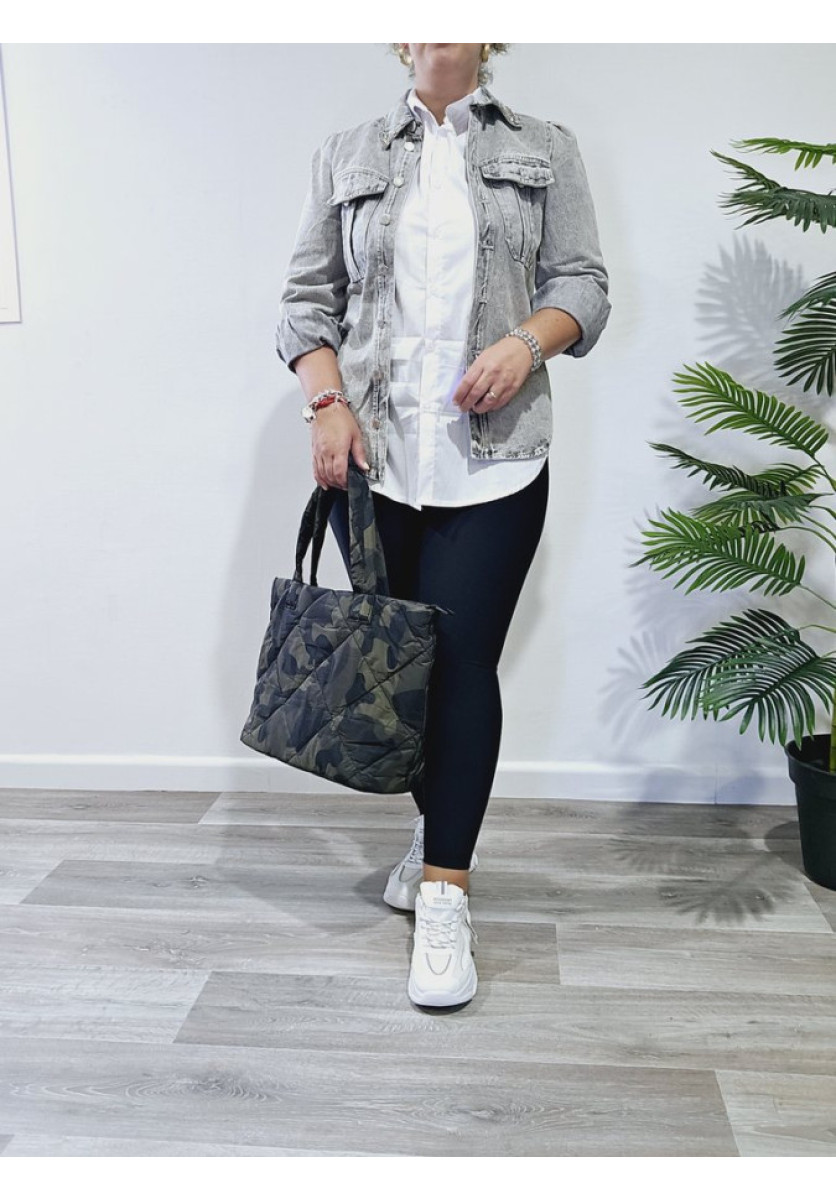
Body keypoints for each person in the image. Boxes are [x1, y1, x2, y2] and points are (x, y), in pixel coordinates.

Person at [275, 43, 611, 1008]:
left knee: (462, 667)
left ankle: (445, 895)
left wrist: (525, 344)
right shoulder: (346, 152)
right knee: (406, 674)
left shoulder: (545, 147)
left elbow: (584, 284)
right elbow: (305, 303)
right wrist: (326, 403)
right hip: (376, 464)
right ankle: (438, 828)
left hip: (495, 461)